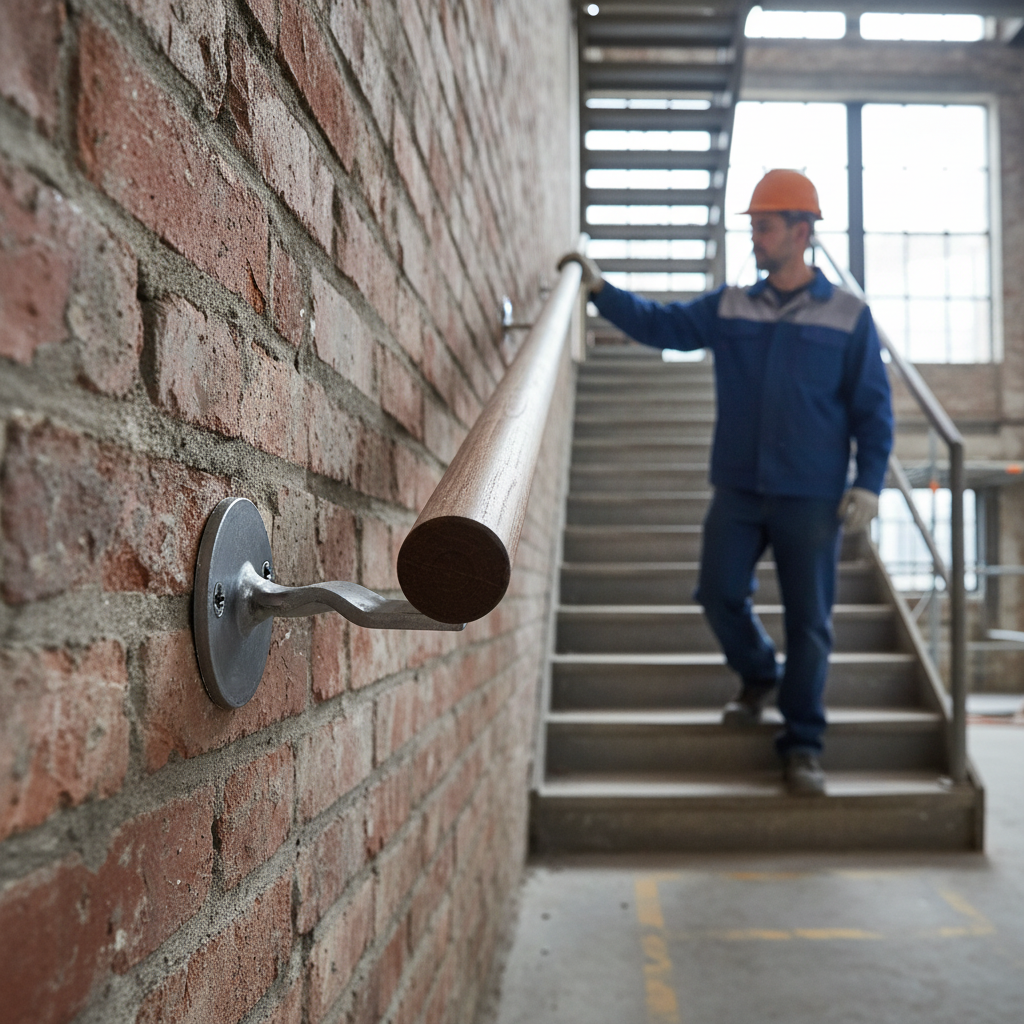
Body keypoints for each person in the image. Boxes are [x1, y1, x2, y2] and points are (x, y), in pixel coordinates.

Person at [559, 168, 894, 797]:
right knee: (717, 593)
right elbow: (662, 325)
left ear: (801, 232)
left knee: (811, 623)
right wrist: (600, 289)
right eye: (754, 227)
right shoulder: (731, 304)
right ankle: (759, 673)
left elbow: (873, 410)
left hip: (812, 494)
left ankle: (803, 745)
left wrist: (869, 483)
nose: (755, 238)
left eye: (765, 227)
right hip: (739, 489)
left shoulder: (850, 316)